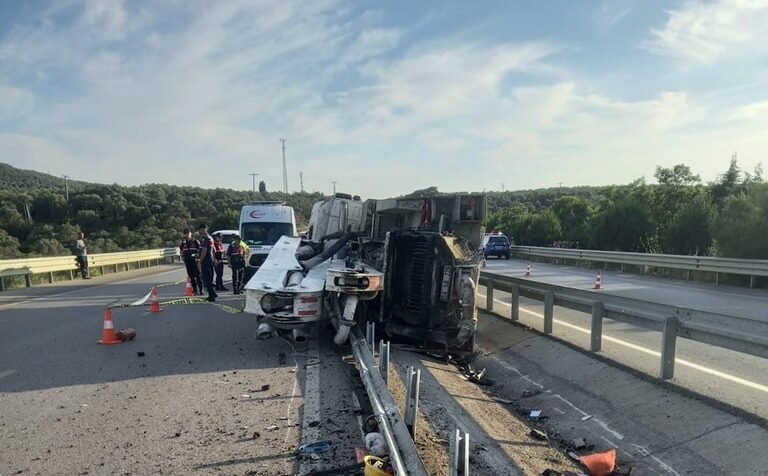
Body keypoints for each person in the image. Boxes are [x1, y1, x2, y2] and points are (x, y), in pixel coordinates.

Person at [197, 223, 218, 302]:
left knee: (206, 279)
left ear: (204, 229)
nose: (199, 231)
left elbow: (204, 250)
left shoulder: (205, 238)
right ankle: (212, 293)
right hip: (210, 260)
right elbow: (213, 250)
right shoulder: (211, 238)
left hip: (206, 261)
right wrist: (214, 259)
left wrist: (200, 260)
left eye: (200, 229)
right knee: (208, 278)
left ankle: (211, 295)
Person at [179, 228, 203, 295]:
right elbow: (181, 250)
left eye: (188, 233)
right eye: (185, 233)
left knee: (197, 276)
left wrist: (197, 257)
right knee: (191, 276)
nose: (186, 235)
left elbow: (200, 250)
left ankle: (201, 289)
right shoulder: (183, 242)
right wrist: (182, 257)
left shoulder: (195, 241)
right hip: (188, 261)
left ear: (190, 233)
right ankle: (195, 290)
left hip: (195, 261)